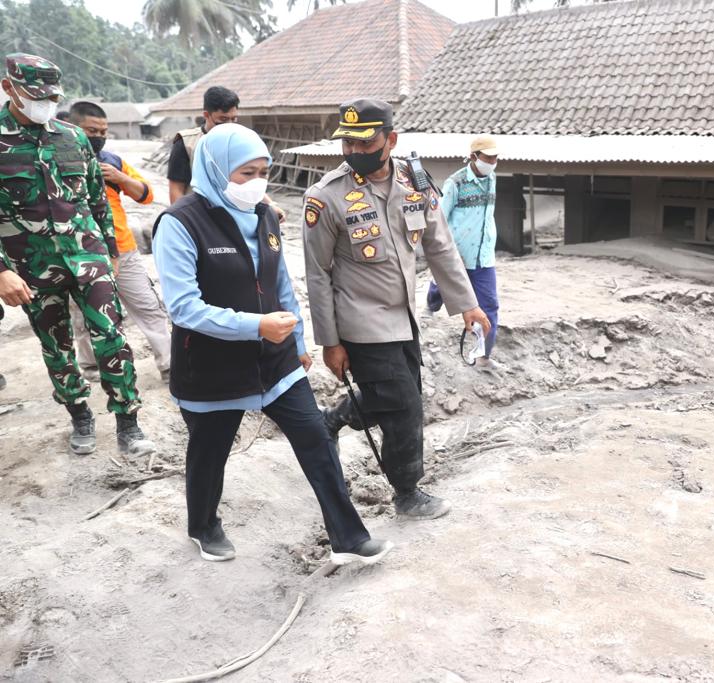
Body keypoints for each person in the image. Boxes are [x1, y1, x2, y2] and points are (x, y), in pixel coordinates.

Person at [153, 123, 391, 564]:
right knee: (209, 454)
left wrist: (297, 338)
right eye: (246, 173)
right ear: (215, 169)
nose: (258, 182)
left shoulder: (264, 216)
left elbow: (281, 285)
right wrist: (255, 326)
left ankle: (348, 537)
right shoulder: (180, 223)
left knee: (316, 440)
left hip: (275, 358)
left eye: (264, 171)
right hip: (211, 365)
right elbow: (184, 308)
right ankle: (203, 526)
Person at [307, 98, 491, 521]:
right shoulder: (327, 197)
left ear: (390, 140)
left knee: (390, 398)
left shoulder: (415, 183)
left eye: (363, 142)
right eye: (346, 143)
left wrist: (467, 305)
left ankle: (329, 421)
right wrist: (329, 342)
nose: (353, 151)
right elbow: (317, 274)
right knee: (404, 403)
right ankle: (407, 491)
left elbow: (439, 246)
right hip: (360, 321)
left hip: (403, 317)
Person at [0, 53, 154, 457]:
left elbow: (96, 201)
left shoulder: (73, 137)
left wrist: (110, 249)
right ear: (8, 88)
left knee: (112, 336)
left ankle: (128, 421)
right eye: (35, 95)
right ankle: (79, 413)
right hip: (31, 266)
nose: (44, 102)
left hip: (89, 256)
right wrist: (1, 272)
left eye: (50, 96)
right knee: (57, 346)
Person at [66, 101, 172, 383]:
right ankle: (89, 366)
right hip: (82, 253)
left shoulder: (112, 161)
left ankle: (170, 364)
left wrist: (120, 178)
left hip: (124, 250)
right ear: (72, 128)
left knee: (148, 306)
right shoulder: (55, 163)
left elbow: (146, 195)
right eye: (92, 130)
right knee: (83, 313)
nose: (99, 136)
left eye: (103, 130)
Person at [426, 135, 502, 367]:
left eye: (495, 158)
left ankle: (484, 356)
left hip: (483, 255)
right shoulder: (455, 183)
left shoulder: (493, 178)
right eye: (487, 157)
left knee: (489, 306)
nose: (492, 162)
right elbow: (440, 218)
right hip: (457, 254)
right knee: (441, 288)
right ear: (473, 157)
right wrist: (442, 252)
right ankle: (431, 303)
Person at [166, 86, 285, 222]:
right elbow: (176, 190)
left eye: (233, 119)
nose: (229, 125)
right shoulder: (187, 143)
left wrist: (270, 204)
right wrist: (185, 222)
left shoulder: (241, 141)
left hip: (237, 217)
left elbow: (248, 180)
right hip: (201, 218)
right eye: (222, 120)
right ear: (206, 115)